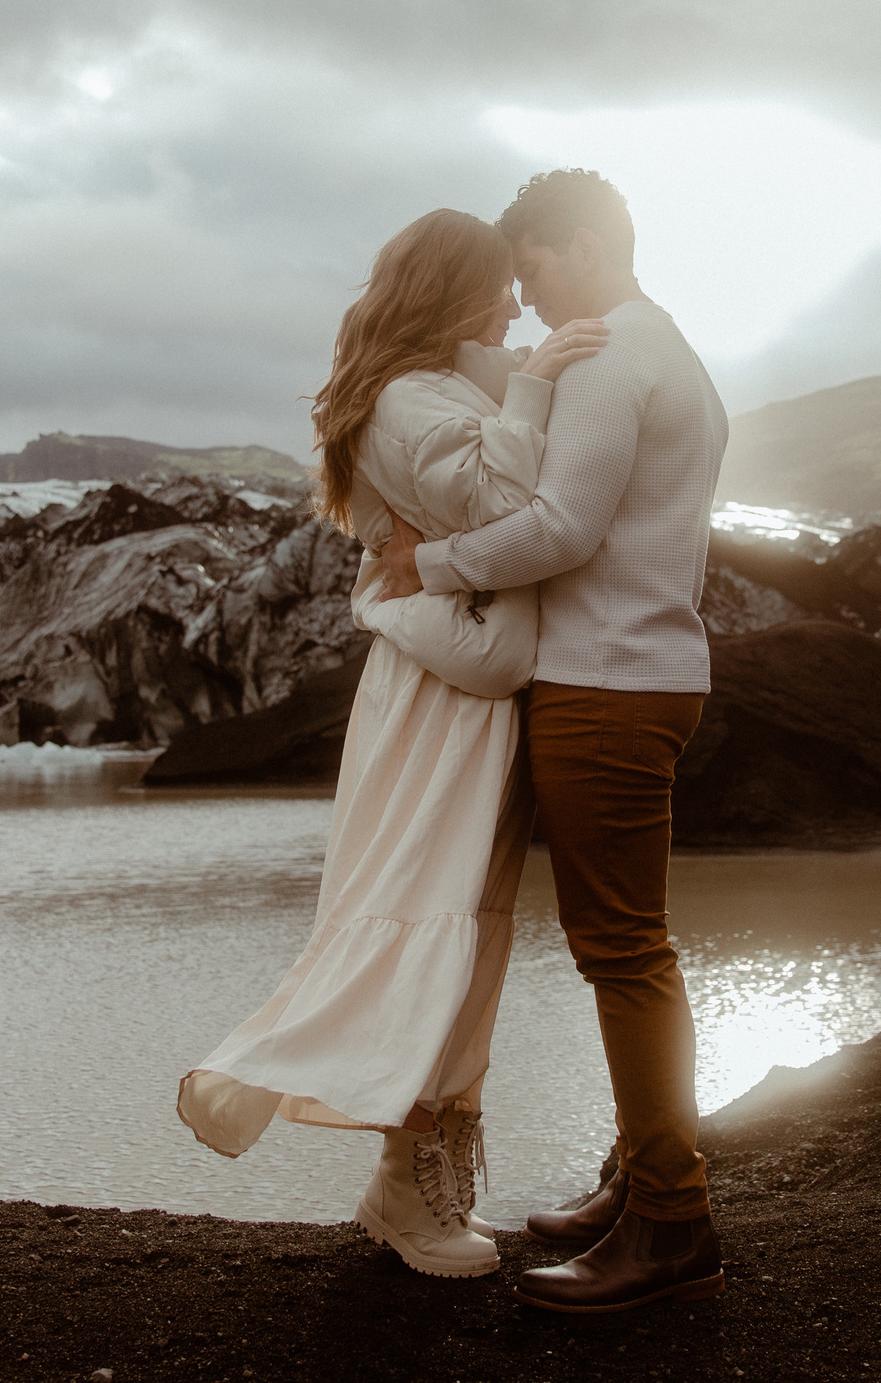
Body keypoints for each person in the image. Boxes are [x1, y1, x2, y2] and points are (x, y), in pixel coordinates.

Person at [176, 207, 609, 1279]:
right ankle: (402, 1191)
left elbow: (500, 517)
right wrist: (542, 381)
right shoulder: (410, 401)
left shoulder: (436, 391)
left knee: (466, 923)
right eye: (500, 287)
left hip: (459, 685)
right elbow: (515, 507)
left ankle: (412, 1185)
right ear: (456, 290)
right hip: (435, 700)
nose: (516, 306)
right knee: (434, 910)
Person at [379, 167, 731, 1314]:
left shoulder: (609, 355)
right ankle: (640, 1187)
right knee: (630, 948)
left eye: (531, 267)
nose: (524, 298)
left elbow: (559, 526)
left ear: (583, 243)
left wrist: (422, 565)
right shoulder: (664, 344)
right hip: (647, 673)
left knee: (622, 952)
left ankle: (671, 1224)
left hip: (605, 685)